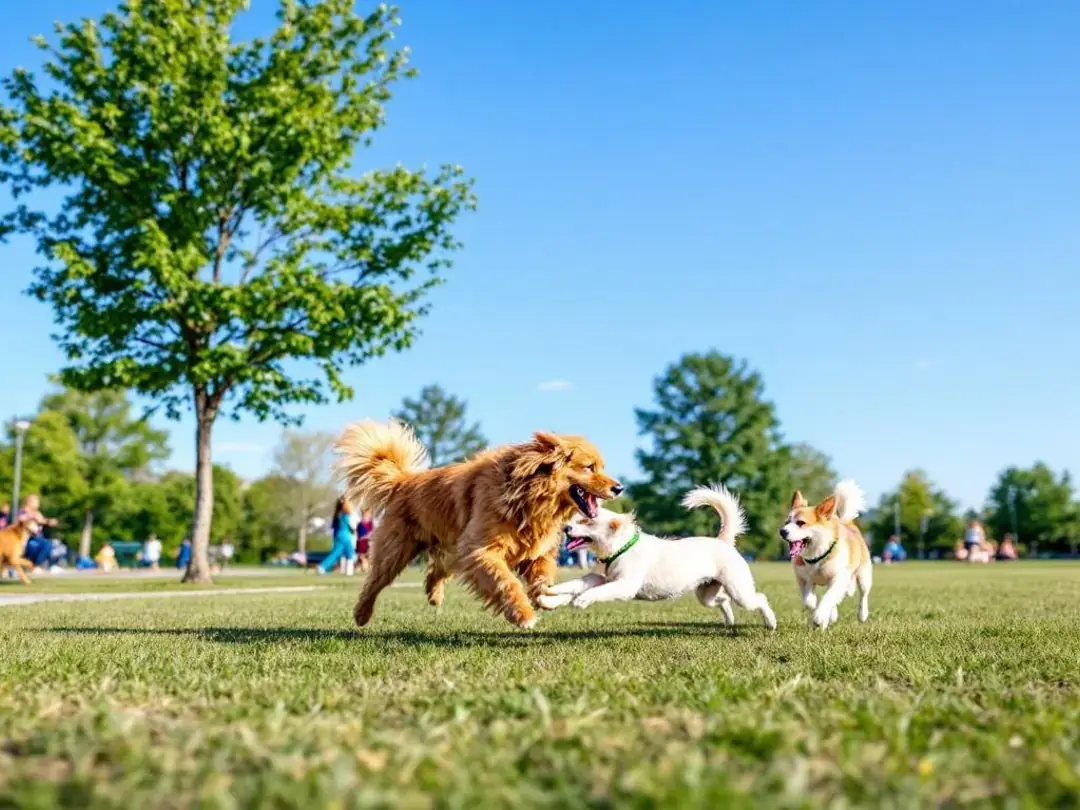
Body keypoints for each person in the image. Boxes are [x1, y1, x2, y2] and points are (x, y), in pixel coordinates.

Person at [18, 494, 58, 573]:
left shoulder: (37, 513)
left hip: (37, 538)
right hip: (26, 540)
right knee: (44, 544)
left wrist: (50, 522)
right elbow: (20, 519)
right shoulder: (22, 511)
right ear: (29, 502)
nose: (38, 504)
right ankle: (31, 566)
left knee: (48, 544)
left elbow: (42, 520)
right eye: (36, 502)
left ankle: (49, 565)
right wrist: (30, 517)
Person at [319, 497, 357, 576]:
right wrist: (353, 530)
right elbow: (350, 525)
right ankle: (348, 572)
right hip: (345, 535)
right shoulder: (345, 515)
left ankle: (322, 567)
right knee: (349, 552)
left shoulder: (338, 514)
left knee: (336, 553)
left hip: (338, 535)